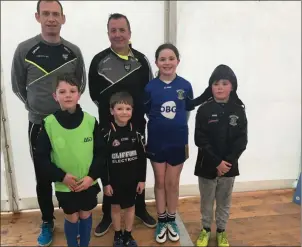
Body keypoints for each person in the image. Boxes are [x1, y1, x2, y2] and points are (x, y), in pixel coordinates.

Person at [10, 0, 86, 245]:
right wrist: (34, 108)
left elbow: (80, 84)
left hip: (69, 126)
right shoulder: (24, 50)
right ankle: (47, 220)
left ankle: (75, 215)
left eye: (56, 14)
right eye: (46, 14)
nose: (51, 18)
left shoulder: (73, 51)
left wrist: (66, 111)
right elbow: (17, 86)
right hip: (39, 124)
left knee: (72, 170)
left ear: (63, 18)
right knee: (43, 175)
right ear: (37, 17)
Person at [88, 13, 156, 236]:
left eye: (121, 30)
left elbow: (149, 92)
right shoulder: (98, 61)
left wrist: (131, 116)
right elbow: (95, 95)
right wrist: (114, 117)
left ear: (129, 32)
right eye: (113, 30)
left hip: (137, 124)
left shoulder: (142, 60)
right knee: (111, 166)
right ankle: (108, 214)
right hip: (109, 125)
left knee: (135, 165)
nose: (117, 34)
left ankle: (140, 208)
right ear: (108, 33)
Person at [34, 74, 105, 247]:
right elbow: (41, 158)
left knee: (86, 215)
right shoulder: (49, 124)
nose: (68, 95)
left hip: (87, 183)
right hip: (65, 185)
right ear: (55, 96)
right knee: (72, 216)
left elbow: (101, 153)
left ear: (79, 94)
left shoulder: (90, 121)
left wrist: (91, 177)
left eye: (72, 91)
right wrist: (62, 177)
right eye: (62, 91)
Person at [144, 43, 195, 243]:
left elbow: (187, 110)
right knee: (160, 181)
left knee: (172, 183)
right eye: (162, 59)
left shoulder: (185, 85)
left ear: (177, 61)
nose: (167, 62)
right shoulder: (150, 87)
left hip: (178, 141)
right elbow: (147, 112)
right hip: (157, 141)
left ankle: (171, 219)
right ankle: (162, 220)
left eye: (171, 58)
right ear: (156, 62)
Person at [193, 64, 248, 247]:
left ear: (232, 86)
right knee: (206, 202)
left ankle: (222, 231)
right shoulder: (203, 110)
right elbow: (200, 139)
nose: (220, 87)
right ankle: (206, 229)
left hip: (229, 168)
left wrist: (227, 162)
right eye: (216, 83)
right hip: (207, 165)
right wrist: (216, 161)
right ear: (211, 87)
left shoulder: (239, 110)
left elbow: (241, 140)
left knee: (224, 202)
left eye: (224, 83)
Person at [100, 91, 147, 247]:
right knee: (115, 207)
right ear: (112, 110)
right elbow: (103, 161)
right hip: (114, 182)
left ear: (132, 111)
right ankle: (118, 235)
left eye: (128, 109)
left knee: (130, 207)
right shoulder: (106, 134)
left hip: (132, 181)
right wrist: (105, 183)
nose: (124, 112)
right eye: (120, 109)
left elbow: (142, 159)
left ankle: (128, 234)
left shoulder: (136, 133)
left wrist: (142, 180)